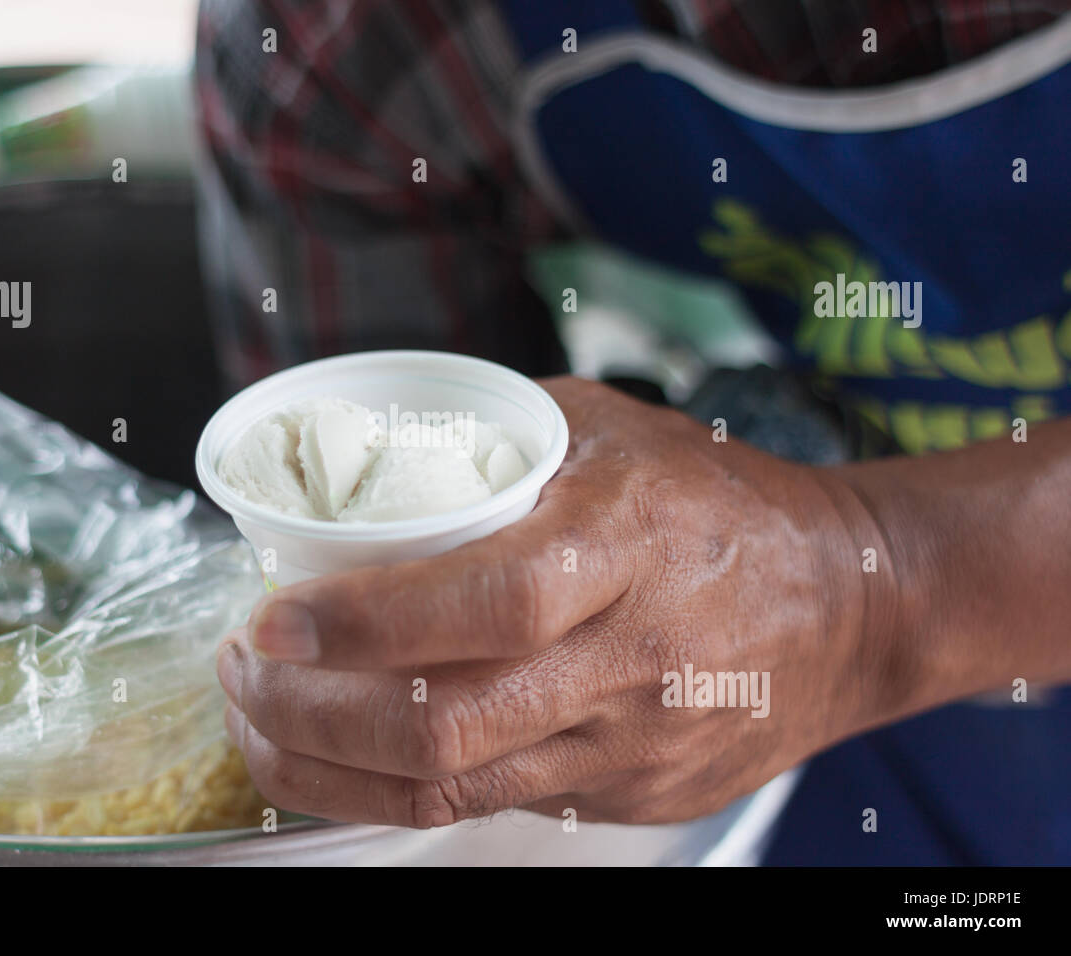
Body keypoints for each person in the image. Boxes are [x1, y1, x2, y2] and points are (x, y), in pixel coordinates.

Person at [193, 0, 1071, 864]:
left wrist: (856, 597)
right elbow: (399, 585)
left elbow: (836, 603)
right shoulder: (330, 46)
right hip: (808, 758)